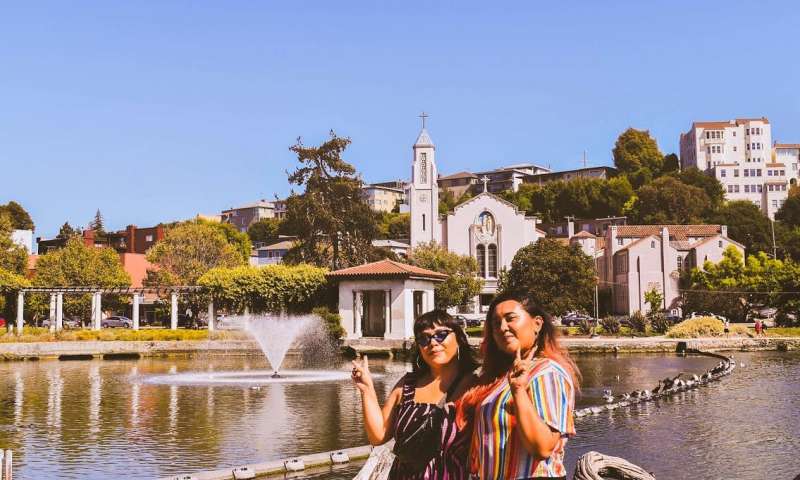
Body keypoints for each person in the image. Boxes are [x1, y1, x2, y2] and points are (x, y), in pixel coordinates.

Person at [458, 291, 580, 480]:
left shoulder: (546, 373)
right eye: (495, 323)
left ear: (537, 323)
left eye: (510, 319)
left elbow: (543, 447)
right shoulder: (500, 377)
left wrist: (518, 391)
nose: (502, 327)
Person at [351, 310, 479, 479]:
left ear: (459, 339)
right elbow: (378, 436)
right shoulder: (408, 384)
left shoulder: (475, 385)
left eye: (441, 335)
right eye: (424, 339)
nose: (433, 343)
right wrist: (367, 389)